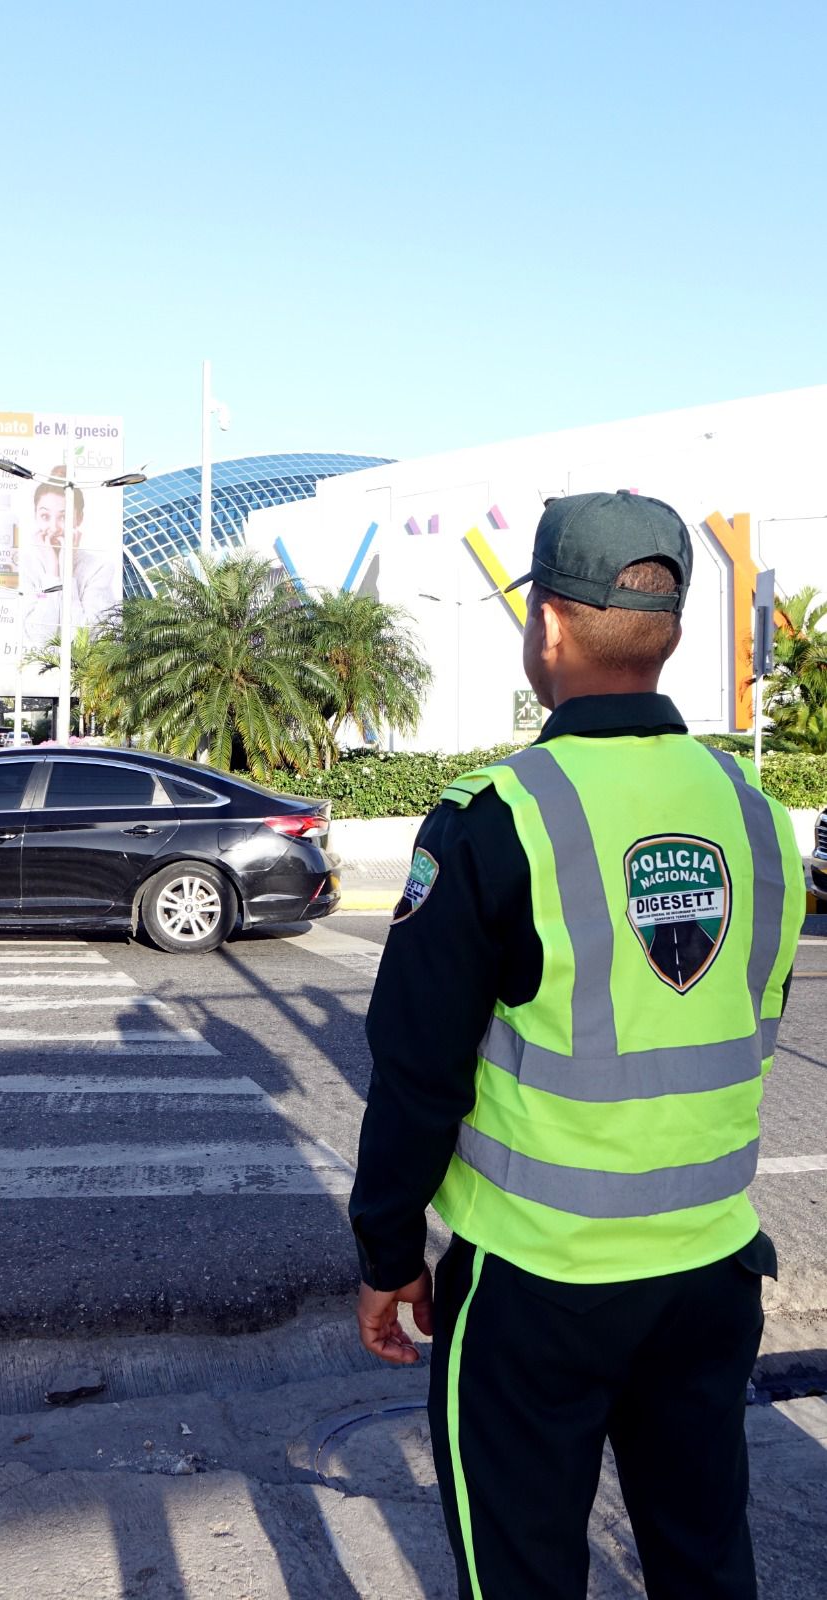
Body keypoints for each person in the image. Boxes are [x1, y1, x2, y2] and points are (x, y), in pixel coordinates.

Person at [349, 490, 805, 1600]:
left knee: (521, 1575)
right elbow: (751, 1019)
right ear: (670, 634)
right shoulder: (752, 813)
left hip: (537, 1285)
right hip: (709, 1272)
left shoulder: (497, 814)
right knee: (705, 1565)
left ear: (548, 625)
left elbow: (417, 1067)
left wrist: (386, 1253)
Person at [19, 470, 119, 648]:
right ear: (35, 516)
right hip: (36, 665)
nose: (54, 528)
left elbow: (82, 638)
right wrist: (52, 570)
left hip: (82, 666)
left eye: (64, 517)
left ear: (79, 518)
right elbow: (40, 636)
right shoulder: (26, 566)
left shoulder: (99, 568)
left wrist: (67, 570)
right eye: (45, 516)